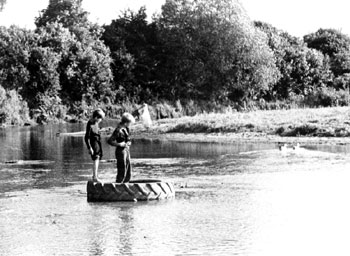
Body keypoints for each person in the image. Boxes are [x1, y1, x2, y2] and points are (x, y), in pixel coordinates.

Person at [107, 113, 135, 183]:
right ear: (126, 123)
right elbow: (110, 141)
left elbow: (128, 139)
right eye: (129, 123)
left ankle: (126, 183)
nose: (130, 125)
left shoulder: (126, 128)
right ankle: (119, 184)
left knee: (128, 169)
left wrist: (128, 142)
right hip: (120, 151)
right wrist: (119, 144)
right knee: (122, 169)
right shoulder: (118, 130)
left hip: (126, 150)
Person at [85, 109, 105, 182]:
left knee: (98, 157)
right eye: (100, 119)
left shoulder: (95, 123)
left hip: (97, 141)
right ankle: (95, 177)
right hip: (93, 143)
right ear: (96, 117)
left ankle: (95, 175)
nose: (100, 120)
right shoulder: (90, 123)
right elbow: (86, 137)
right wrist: (89, 148)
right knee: (96, 158)